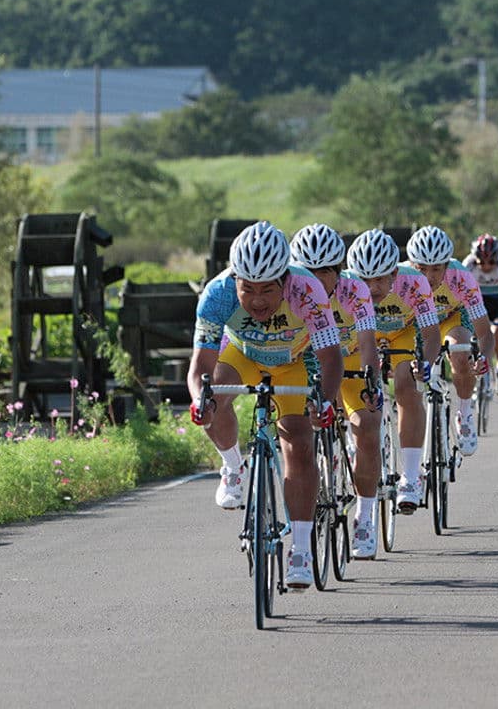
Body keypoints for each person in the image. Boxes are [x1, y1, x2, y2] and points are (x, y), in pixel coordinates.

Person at [187, 221, 343, 590]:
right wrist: (199, 400)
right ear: (235, 280)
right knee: (213, 401)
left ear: (284, 280)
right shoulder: (217, 294)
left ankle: (301, 549)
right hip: (243, 354)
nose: (257, 300)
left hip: (293, 359)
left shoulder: (307, 291)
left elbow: (331, 357)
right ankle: (233, 467)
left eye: (267, 290)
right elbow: (200, 366)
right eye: (248, 289)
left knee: (299, 445)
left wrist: (324, 400)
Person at [289, 223, 384, 560]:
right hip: (309, 362)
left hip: (352, 358)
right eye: (308, 271)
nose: (315, 280)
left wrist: (372, 379)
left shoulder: (355, 290)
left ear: (339, 271)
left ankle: (364, 518)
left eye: (324, 272)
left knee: (367, 427)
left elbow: (369, 342)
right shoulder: (289, 291)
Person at [344, 228, 441, 516]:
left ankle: (411, 478)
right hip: (360, 338)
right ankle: (350, 443)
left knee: (406, 385)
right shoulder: (346, 287)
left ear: (394, 275)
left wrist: (426, 364)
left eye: (380, 280)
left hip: (402, 334)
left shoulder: (415, 282)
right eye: (365, 280)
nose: (372, 288)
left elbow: (432, 333)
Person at [404, 225, 495, 457]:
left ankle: (464, 413)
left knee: (460, 352)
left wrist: (483, 357)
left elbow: (484, 331)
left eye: (436, 269)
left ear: (447, 265)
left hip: (450, 317)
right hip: (416, 323)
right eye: (421, 268)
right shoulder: (401, 277)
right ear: (411, 264)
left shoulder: (462, 277)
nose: (429, 276)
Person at [462, 233, 498, 396]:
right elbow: (460, 297)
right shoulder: (468, 265)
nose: (486, 266)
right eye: (481, 262)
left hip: (497, 304)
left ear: (497, 258)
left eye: (491, 262)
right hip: (475, 302)